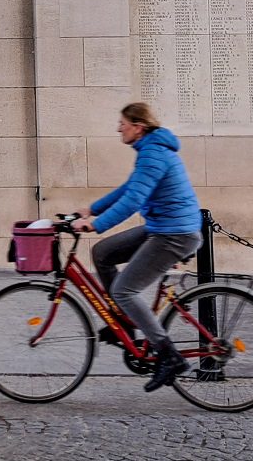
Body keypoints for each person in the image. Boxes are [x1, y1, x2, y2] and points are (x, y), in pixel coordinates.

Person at [71, 102, 202, 393]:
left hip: (175, 234)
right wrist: (90, 210)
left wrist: (96, 225)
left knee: (124, 290)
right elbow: (127, 190)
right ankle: (124, 323)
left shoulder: (153, 154)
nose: (119, 128)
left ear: (138, 127)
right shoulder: (149, 151)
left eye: (123, 123)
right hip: (163, 227)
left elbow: (133, 202)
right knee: (102, 253)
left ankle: (169, 356)